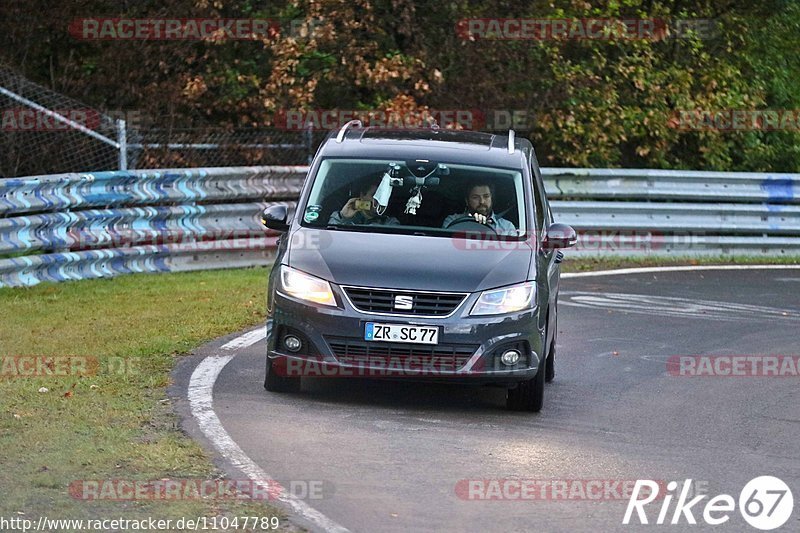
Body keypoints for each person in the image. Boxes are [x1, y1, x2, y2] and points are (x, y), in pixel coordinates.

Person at [442, 182, 516, 234]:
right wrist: (471, 223)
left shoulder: (507, 227)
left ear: (492, 199)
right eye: (475, 197)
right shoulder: (452, 221)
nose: (482, 202)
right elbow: (447, 246)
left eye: (486, 196)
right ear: (467, 201)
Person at [328, 179, 400, 226]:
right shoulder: (345, 217)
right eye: (374, 195)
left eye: (381, 197)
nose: (377, 201)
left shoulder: (390, 223)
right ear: (362, 195)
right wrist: (342, 217)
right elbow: (330, 235)